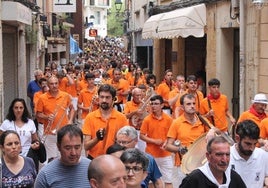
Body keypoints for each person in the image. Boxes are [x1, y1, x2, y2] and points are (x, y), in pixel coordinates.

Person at [165, 93, 216, 186]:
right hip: (184, 165)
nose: (192, 106)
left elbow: (218, 132)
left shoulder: (202, 120)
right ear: (182, 107)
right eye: (188, 104)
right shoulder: (176, 123)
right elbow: (168, 145)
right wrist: (179, 149)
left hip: (202, 164)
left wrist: (212, 130)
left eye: (193, 103)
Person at [179, 136, 246, 188]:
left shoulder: (234, 177)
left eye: (227, 154)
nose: (224, 160)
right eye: (219, 154)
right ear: (208, 156)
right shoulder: (194, 179)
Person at [82, 84, 128, 159]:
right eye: (102, 97)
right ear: (98, 97)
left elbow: (125, 145)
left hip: (114, 160)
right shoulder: (90, 117)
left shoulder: (122, 118)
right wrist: (97, 138)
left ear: (113, 99)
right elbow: (86, 146)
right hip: (94, 159)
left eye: (107, 97)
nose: (104, 100)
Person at [36, 76, 75, 161]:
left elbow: (72, 109)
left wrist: (70, 120)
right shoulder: (42, 98)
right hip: (50, 132)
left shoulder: (65, 96)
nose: (54, 85)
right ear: (48, 85)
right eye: (51, 84)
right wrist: (47, 117)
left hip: (64, 131)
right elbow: (38, 114)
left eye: (56, 83)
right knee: (51, 159)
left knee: (65, 156)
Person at [140, 95, 173, 188]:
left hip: (165, 154)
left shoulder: (169, 119)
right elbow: (141, 136)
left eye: (156, 104)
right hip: (151, 155)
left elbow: (172, 136)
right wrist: (154, 141)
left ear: (162, 105)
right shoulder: (147, 120)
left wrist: (166, 142)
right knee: (150, 182)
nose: (153, 106)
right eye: (152, 104)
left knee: (168, 181)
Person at [229, 120, 268, 188]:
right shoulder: (225, 156)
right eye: (248, 144)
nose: (252, 148)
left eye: (255, 144)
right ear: (237, 138)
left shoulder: (263, 156)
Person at [124, 87, 147, 152]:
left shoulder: (145, 104)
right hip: (132, 130)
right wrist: (134, 112)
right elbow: (125, 116)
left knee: (143, 151)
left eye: (140, 95)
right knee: (133, 151)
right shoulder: (128, 104)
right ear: (133, 96)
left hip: (143, 131)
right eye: (137, 95)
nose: (139, 97)